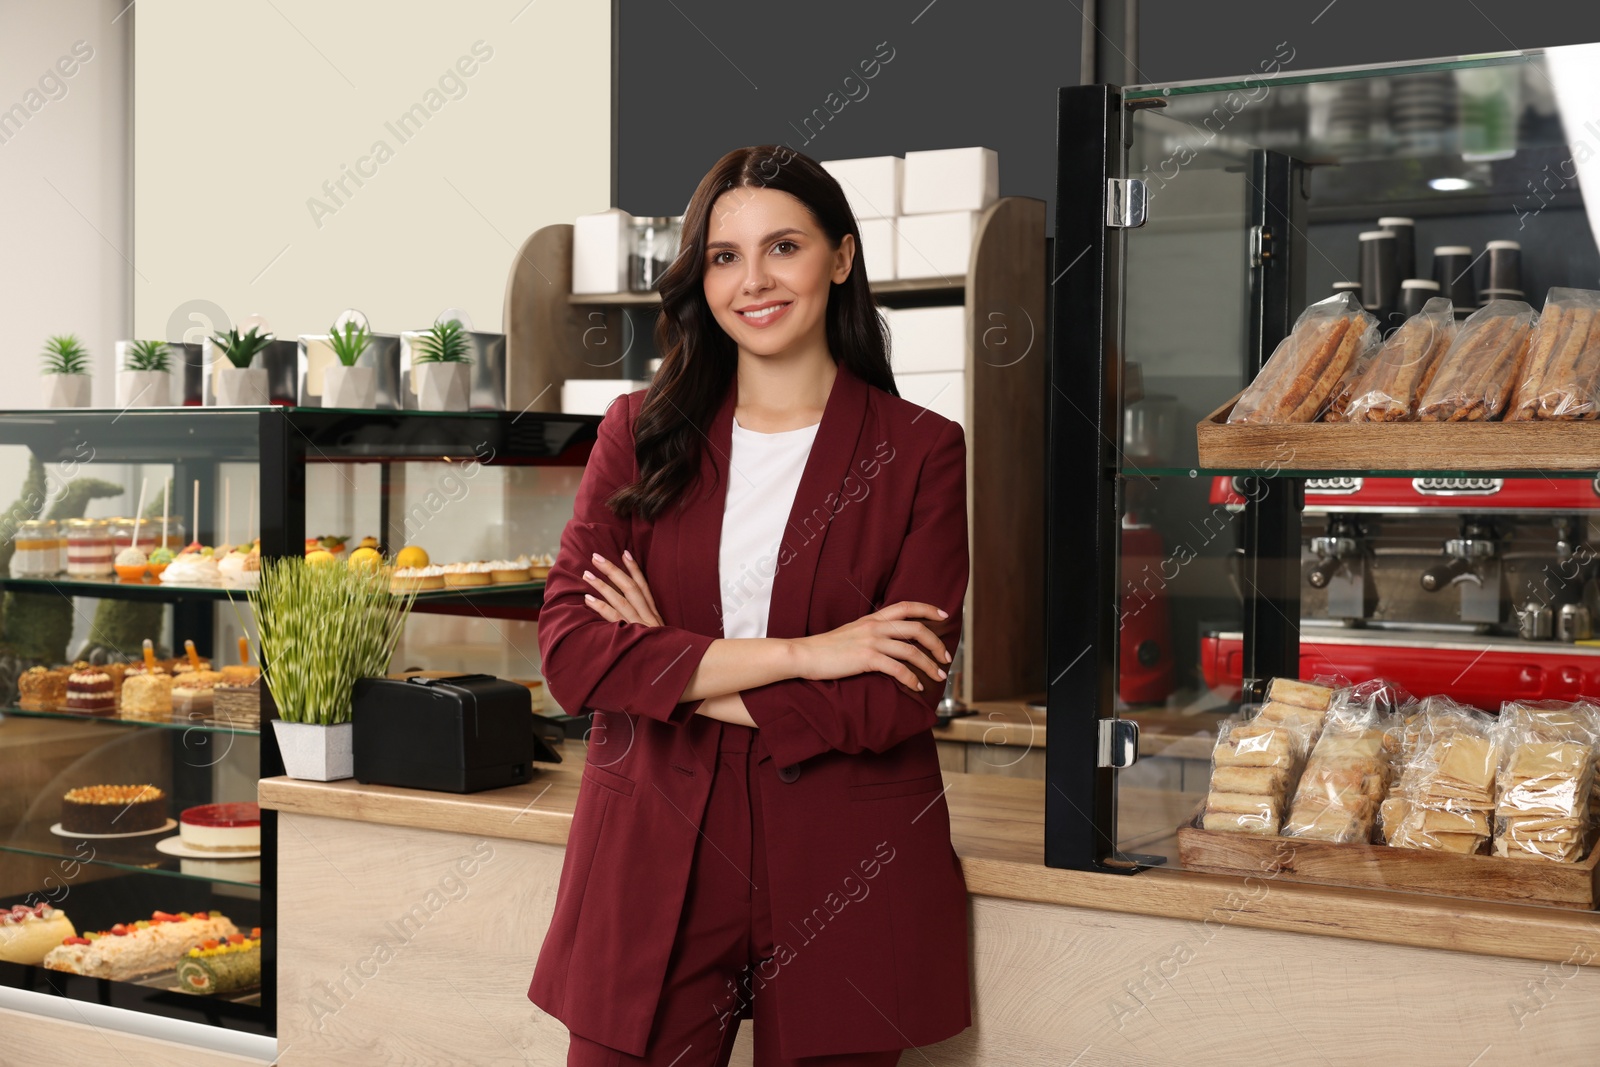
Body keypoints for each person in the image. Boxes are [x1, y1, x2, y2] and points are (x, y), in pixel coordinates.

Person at [529, 144, 972, 1067]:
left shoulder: (922, 450)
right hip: (654, 847)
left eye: (784, 248)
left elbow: (892, 698)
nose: (754, 281)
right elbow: (574, 653)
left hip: (845, 856)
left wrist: (664, 661)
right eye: (726, 256)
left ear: (841, 258)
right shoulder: (641, 435)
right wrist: (811, 653)